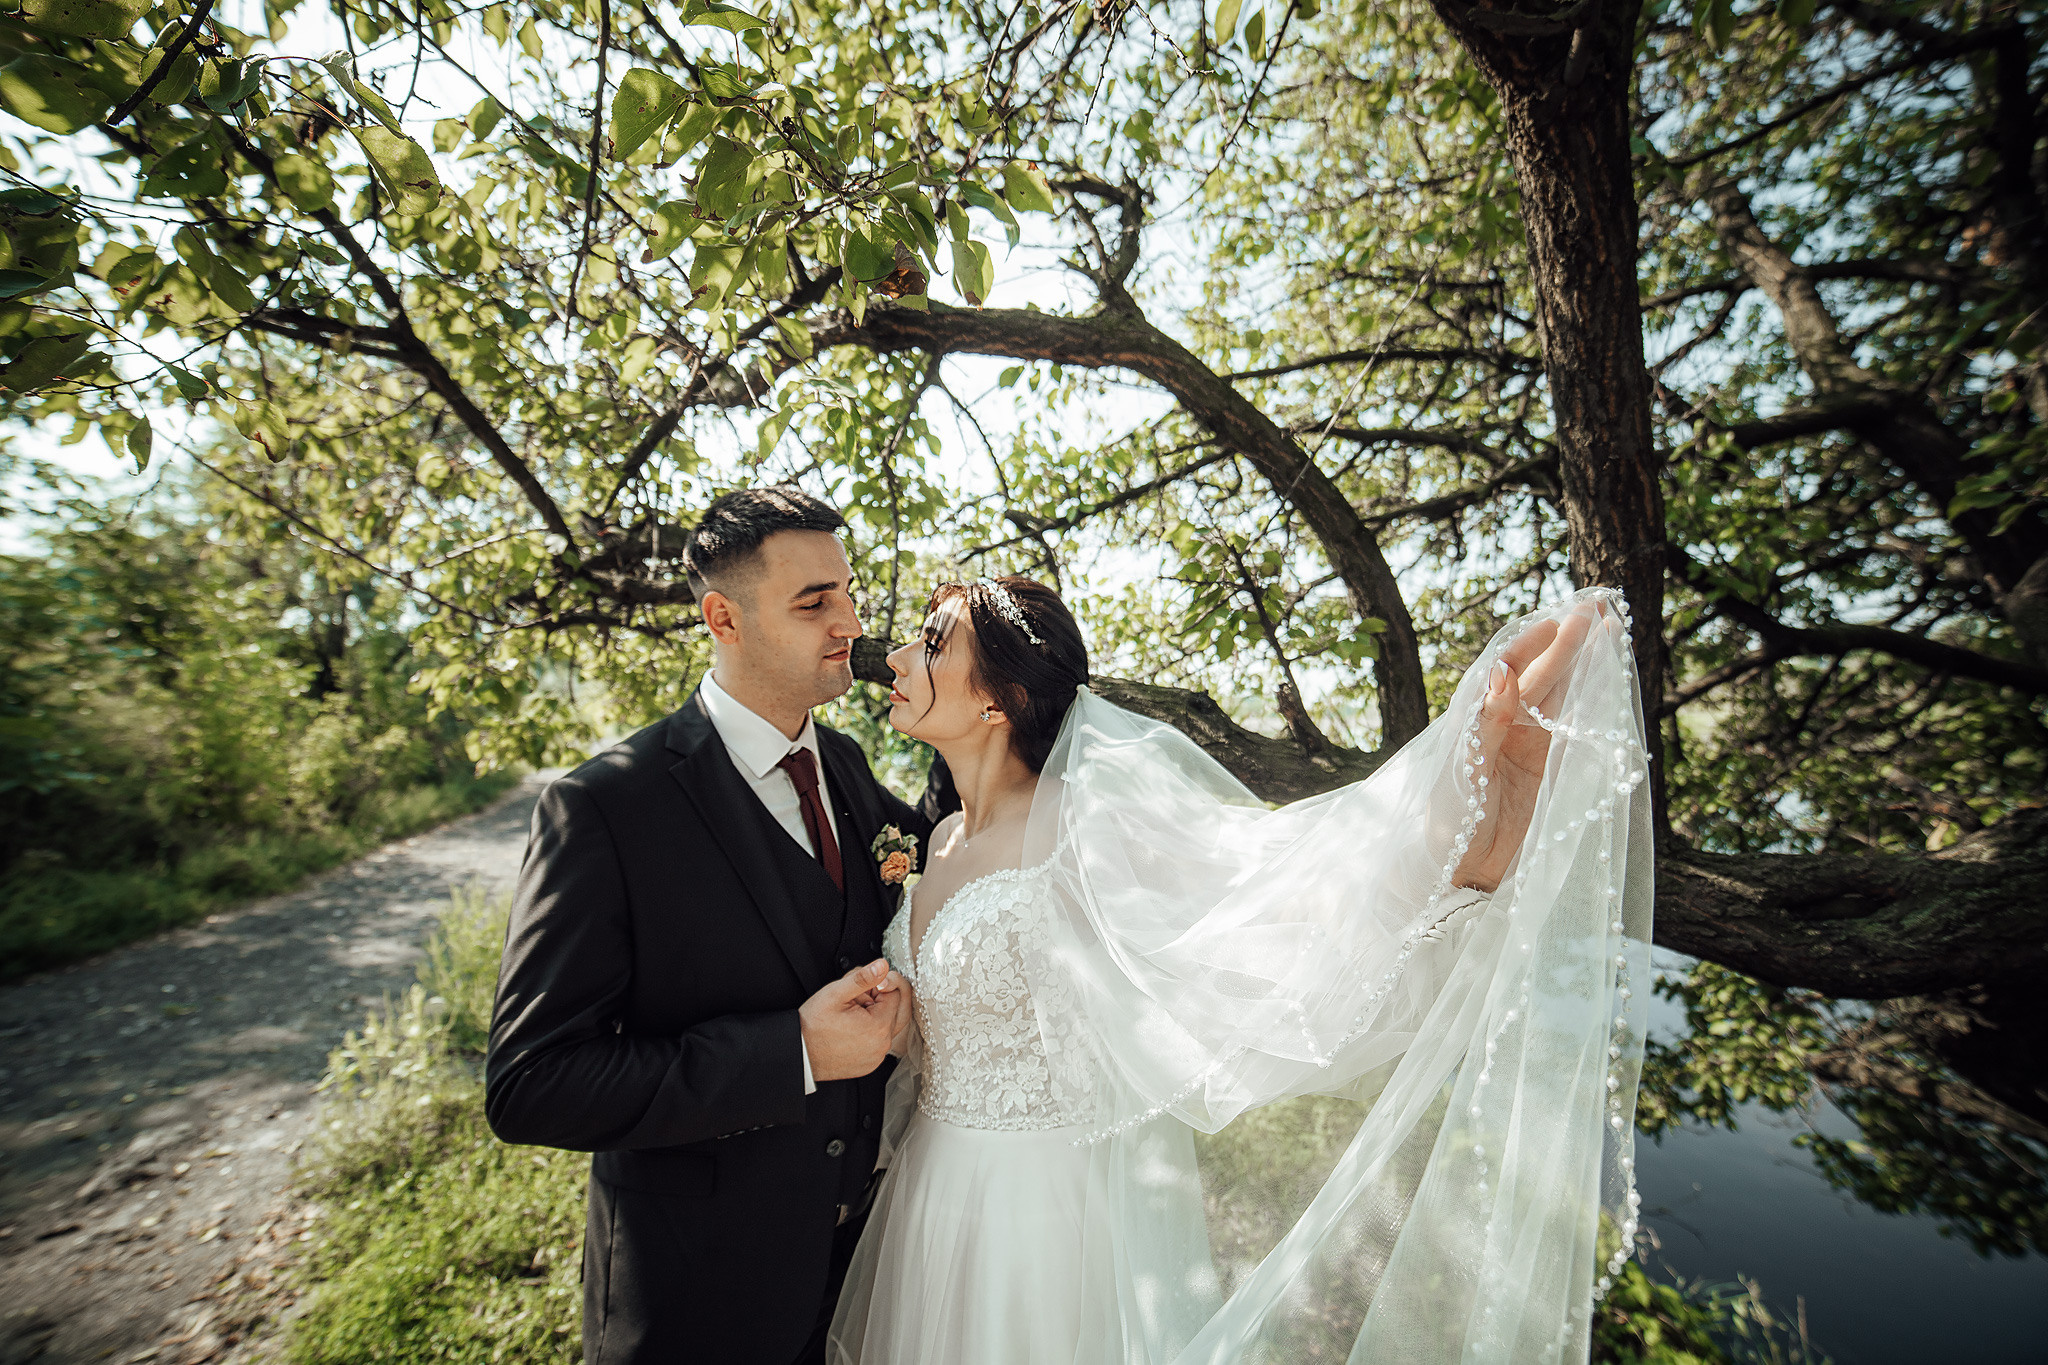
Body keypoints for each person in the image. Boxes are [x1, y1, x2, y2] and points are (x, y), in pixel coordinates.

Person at [830, 576, 1653, 1365]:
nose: (897, 657)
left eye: (932, 644)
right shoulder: (934, 843)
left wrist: (1456, 818)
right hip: (927, 1193)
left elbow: (1280, 897)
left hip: (1034, 1212)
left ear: (998, 698)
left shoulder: (1082, 833)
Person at [484, 487, 944, 1365]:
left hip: (858, 1284)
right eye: (814, 602)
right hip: (698, 1300)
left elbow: (931, 858)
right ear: (722, 617)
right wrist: (794, 1053)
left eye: (845, 591)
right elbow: (531, 1082)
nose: (849, 619)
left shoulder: (841, 762)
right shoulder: (604, 808)